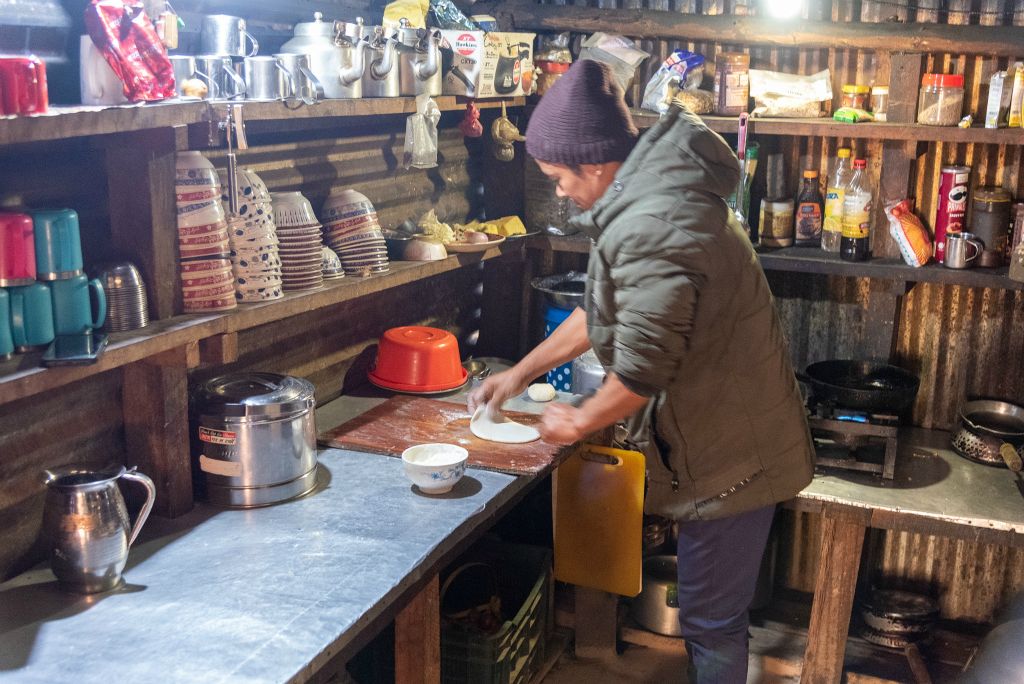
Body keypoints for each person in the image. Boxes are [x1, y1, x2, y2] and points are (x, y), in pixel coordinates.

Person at [468, 60, 814, 683]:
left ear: (594, 164)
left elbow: (644, 365)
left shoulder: (657, 220)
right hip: (728, 436)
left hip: (736, 455)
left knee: (711, 622)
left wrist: (581, 419)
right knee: (713, 616)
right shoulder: (650, 192)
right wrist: (520, 373)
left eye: (557, 178)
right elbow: (604, 309)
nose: (561, 192)